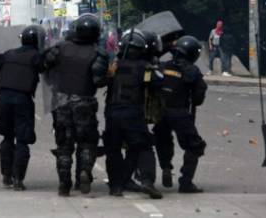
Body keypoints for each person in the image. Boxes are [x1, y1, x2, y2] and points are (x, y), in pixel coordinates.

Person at [43, 13, 109, 197]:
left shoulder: (60, 48)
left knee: (64, 144)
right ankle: (84, 173)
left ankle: (64, 183)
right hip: (84, 102)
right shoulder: (98, 53)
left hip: (61, 102)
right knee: (87, 141)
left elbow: (45, 64)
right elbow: (98, 81)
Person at [104, 30, 163, 199]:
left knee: (113, 150)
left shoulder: (114, 66)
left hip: (112, 114)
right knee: (143, 146)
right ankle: (147, 181)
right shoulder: (144, 67)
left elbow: (101, 80)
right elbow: (158, 82)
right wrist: (154, 62)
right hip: (132, 114)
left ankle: (116, 186)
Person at [153, 36, 207, 193]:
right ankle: (186, 182)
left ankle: (166, 167)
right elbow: (198, 98)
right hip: (180, 113)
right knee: (195, 146)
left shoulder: (163, 66)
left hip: (160, 112)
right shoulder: (193, 71)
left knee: (162, 141)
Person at [0, 25, 45, 191]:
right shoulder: (36, 56)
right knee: (22, 140)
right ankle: (18, 179)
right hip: (23, 100)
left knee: (7, 137)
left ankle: (6, 176)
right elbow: (46, 69)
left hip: (4, 99)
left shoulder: (9, 53)